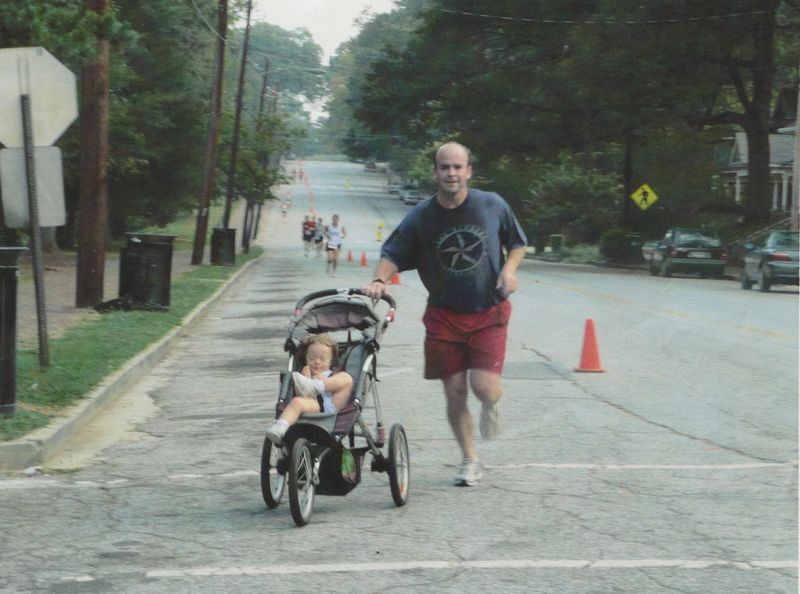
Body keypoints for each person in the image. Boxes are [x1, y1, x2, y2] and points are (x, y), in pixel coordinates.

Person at [362, 141, 527, 487]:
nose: (451, 173)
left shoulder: (492, 204)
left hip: (488, 310)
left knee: (484, 387)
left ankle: (492, 402)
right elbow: (392, 251)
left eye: (457, 167)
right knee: (454, 391)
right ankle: (469, 459)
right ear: (436, 172)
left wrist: (510, 270)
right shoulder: (422, 215)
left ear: (468, 171)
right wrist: (379, 278)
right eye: (444, 167)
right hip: (443, 314)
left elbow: (517, 243)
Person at [264, 334, 354, 445]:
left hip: (331, 407)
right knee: (297, 401)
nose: (317, 362)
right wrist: (306, 377)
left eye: (323, 359)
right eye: (311, 358)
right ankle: (281, 427)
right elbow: (300, 394)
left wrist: (324, 381)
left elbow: (340, 384)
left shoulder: (333, 374)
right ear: (305, 359)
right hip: (315, 406)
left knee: (346, 378)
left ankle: (316, 386)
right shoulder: (303, 375)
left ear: (331, 361)